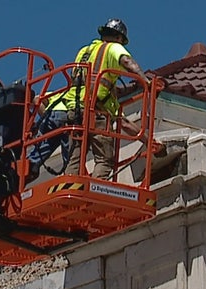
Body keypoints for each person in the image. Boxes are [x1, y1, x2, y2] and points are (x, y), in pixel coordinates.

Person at [26, 18, 153, 182]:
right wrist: (146, 82)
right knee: (105, 160)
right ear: (119, 38)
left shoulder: (84, 51)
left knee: (74, 160)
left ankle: (70, 183)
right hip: (94, 111)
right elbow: (127, 62)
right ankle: (95, 187)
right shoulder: (113, 47)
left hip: (73, 110)